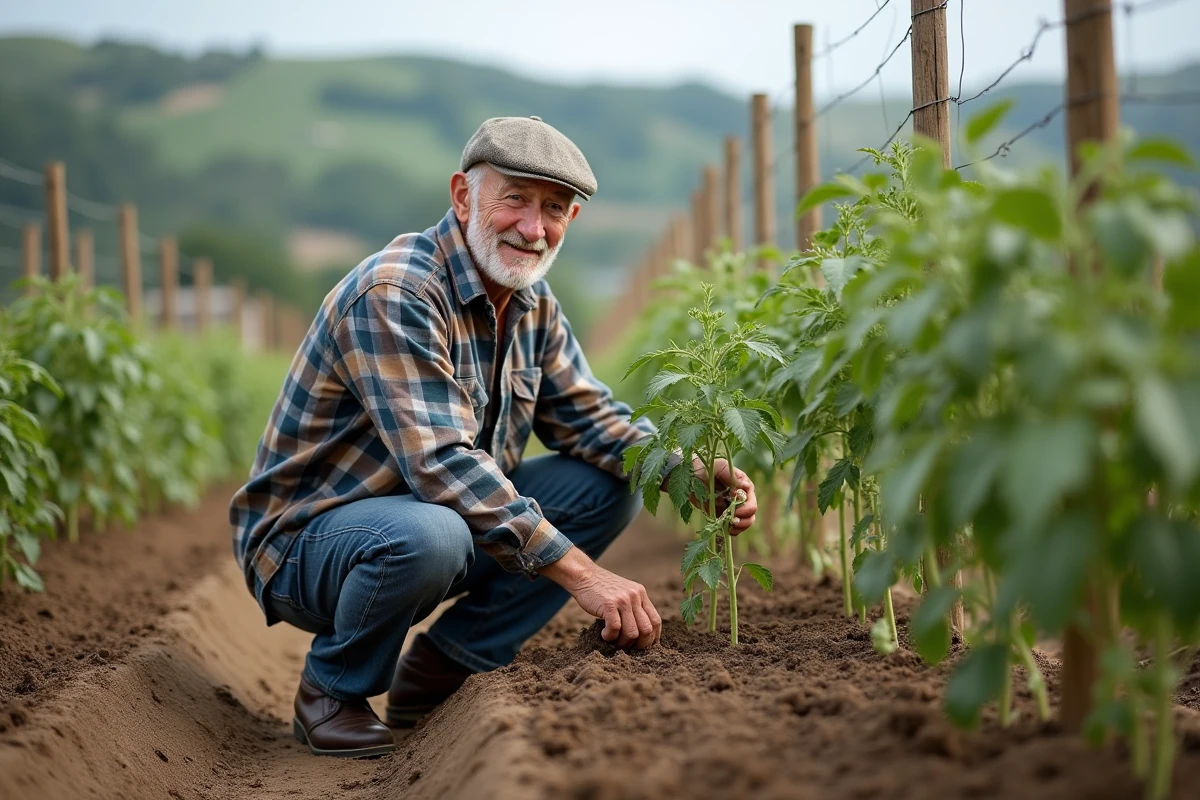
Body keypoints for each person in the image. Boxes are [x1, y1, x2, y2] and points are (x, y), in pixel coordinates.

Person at [228, 116, 758, 758]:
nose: (533, 228)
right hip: (307, 544)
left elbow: (590, 417)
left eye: (554, 209)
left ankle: (445, 666)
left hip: (423, 522)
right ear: (462, 197)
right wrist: (584, 576)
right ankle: (332, 690)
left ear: (571, 220)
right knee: (433, 533)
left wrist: (683, 469)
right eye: (515, 199)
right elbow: (442, 464)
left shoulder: (534, 304)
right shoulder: (397, 291)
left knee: (607, 484)